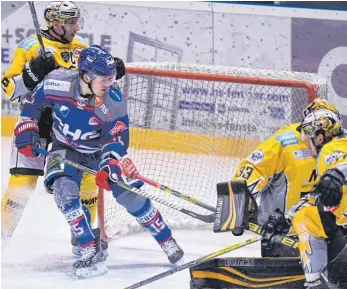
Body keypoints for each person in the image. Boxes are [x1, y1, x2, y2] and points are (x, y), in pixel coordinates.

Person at [13, 45, 184, 278]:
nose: (110, 83)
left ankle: (166, 239)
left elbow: (117, 138)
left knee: (127, 195)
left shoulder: (112, 100)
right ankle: (88, 246)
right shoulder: (57, 82)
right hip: (65, 148)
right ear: (85, 76)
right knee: (64, 192)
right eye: (103, 78)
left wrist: (110, 164)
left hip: (99, 152)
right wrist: (27, 126)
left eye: (111, 77)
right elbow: (32, 104)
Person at [1, 1, 125, 255]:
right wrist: (33, 73)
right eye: (70, 22)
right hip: (36, 123)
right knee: (22, 185)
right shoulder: (30, 47)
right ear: (55, 23)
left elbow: (91, 84)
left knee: (88, 185)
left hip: (70, 126)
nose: (76, 27)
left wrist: (111, 70)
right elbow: (9, 89)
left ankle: (83, 242)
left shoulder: (81, 48)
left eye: (77, 21)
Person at [213, 100, 331, 257]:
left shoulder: (338, 143)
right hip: (282, 236)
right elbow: (252, 168)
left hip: (323, 233)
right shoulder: (283, 143)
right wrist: (237, 205)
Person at [261, 102, 347, 288]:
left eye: (310, 136)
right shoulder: (332, 152)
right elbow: (317, 196)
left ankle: (315, 283)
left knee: (306, 219)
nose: (308, 143)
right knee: (307, 215)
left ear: (321, 133)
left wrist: (338, 173)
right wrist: (286, 218)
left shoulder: (333, 151)